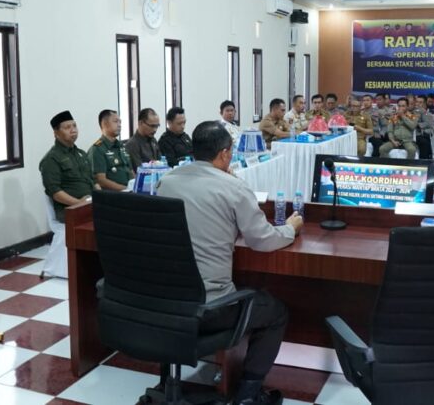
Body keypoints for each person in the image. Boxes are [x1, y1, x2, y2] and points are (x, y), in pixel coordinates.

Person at [157, 121, 303, 405]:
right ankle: (248, 395)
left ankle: (167, 382)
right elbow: (262, 240)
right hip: (210, 309)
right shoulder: (234, 187)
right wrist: (291, 228)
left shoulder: (167, 181)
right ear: (225, 154)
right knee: (276, 312)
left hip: (166, 303)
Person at [40, 110, 97, 222]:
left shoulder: (81, 154)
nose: (73, 130)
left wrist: (102, 197)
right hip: (70, 210)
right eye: (67, 127)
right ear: (56, 133)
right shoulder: (51, 159)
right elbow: (55, 192)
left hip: (91, 204)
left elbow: (92, 180)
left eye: (74, 126)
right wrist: (80, 203)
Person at [87, 110, 134, 191]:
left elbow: (130, 171)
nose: (119, 125)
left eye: (120, 122)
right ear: (104, 124)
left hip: (130, 191)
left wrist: (137, 186)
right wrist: (126, 189)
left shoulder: (121, 146)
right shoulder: (97, 149)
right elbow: (101, 180)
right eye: (115, 122)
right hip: (115, 194)